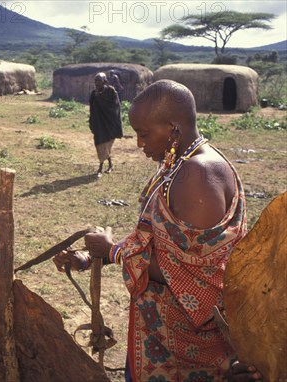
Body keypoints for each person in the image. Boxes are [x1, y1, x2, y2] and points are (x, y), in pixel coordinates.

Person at [54, 80, 252, 381]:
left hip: (187, 352)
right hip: (160, 332)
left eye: (144, 134)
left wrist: (113, 251)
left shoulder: (199, 174)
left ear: (173, 129)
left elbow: (198, 280)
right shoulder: (180, 165)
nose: (139, 143)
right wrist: (95, 256)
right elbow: (168, 249)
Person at [89, 72, 123, 177]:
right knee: (100, 144)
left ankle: (100, 167)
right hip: (99, 124)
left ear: (104, 81)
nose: (97, 82)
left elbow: (115, 107)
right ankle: (110, 165)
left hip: (110, 123)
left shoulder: (111, 92)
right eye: (96, 80)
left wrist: (100, 99)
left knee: (106, 145)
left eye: (99, 80)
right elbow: (92, 108)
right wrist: (92, 121)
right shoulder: (94, 93)